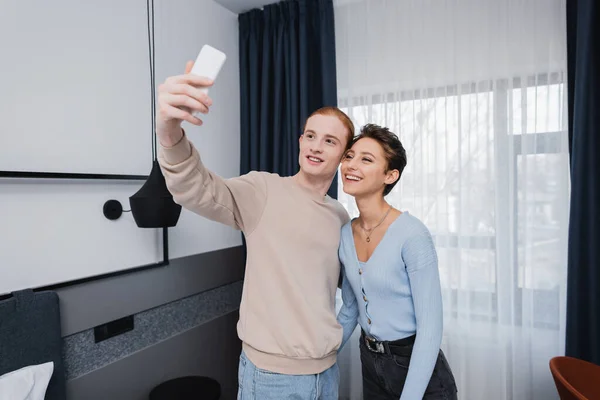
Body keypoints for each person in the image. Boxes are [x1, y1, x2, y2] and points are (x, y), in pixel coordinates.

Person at [156, 60, 354, 399]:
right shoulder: (263, 190)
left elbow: (347, 293)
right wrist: (168, 130)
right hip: (272, 378)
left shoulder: (339, 216)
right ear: (300, 141)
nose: (316, 146)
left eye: (329, 141)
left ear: (344, 156)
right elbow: (198, 188)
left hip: (327, 373)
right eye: (310, 135)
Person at [336, 124, 458, 399]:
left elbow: (430, 329)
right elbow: (350, 309)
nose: (351, 165)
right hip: (370, 361)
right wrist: (320, 357)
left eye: (366, 159)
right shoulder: (345, 234)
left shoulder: (412, 234)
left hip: (416, 367)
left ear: (390, 175)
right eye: (349, 156)